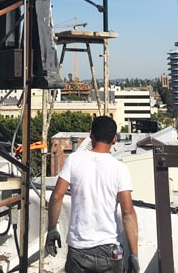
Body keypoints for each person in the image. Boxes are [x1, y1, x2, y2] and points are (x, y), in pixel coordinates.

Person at [45, 116, 140, 273]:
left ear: (91, 134)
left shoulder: (74, 160)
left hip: (79, 251)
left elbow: (56, 197)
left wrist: (52, 228)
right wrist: (134, 255)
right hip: (110, 251)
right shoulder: (120, 169)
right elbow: (128, 213)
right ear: (114, 139)